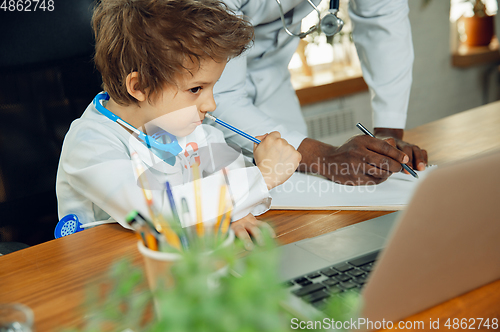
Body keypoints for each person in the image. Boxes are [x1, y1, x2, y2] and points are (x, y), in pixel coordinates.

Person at [56, 0, 301, 249]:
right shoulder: (89, 145)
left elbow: (230, 181)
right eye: (196, 89)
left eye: (212, 86)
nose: (211, 104)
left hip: (175, 261)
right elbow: (154, 212)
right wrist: (264, 177)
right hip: (103, 271)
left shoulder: (189, 129)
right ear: (139, 87)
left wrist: (236, 212)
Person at [212, 0, 428, 185]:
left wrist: (386, 133)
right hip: (203, 87)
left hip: (273, 80)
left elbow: (383, 18)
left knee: (300, 189)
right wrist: (325, 157)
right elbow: (217, 95)